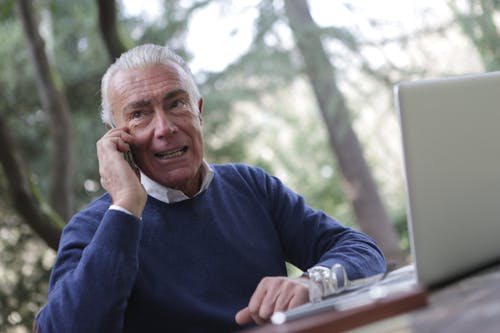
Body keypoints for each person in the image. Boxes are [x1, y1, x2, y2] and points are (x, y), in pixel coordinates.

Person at [34, 44, 386, 333]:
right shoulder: (96, 228)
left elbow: (361, 250)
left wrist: (313, 282)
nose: (164, 127)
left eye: (176, 104)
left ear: (199, 112)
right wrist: (126, 206)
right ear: (116, 138)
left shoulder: (251, 186)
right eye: (139, 114)